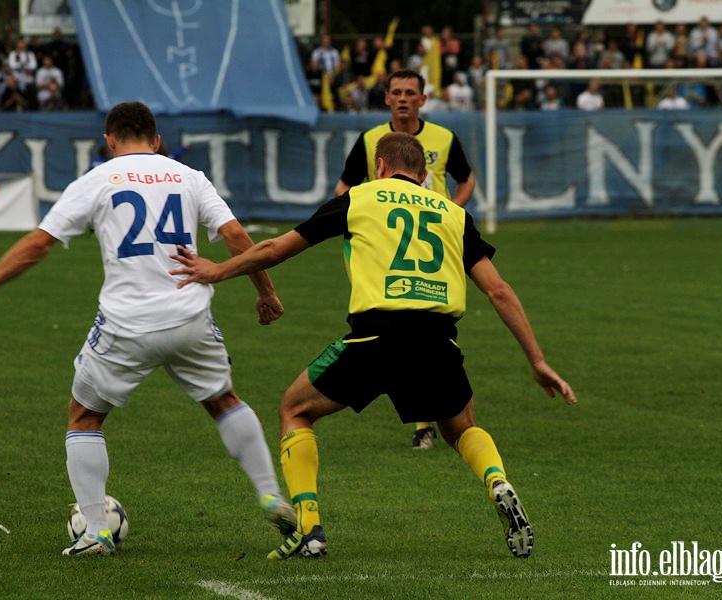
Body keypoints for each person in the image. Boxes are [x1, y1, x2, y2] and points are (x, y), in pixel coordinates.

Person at [169, 132, 576, 560]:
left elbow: (274, 249)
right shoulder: (455, 215)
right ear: (423, 176)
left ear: (379, 166)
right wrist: (538, 360)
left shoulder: (360, 198)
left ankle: (309, 530)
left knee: (295, 409)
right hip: (438, 340)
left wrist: (217, 271)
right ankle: (497, 480)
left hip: (375, 337)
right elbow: (500, 292)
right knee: (461, 427)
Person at [0, 101, 296, 556]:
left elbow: (38, 244)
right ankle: (269, 492)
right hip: (190, 318)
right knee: (224, 400)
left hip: (126, 324)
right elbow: (238, 237)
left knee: (84, 416)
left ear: (109, 141)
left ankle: (96, 532)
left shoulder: (97, 180)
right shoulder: (188, 176)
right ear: (157, 139)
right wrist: (265, 291)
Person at [334, 69, 476, 448]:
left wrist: (451, 212)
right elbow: (344, 185)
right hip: (389, 243)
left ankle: (426, 420)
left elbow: (467, 179)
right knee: (411, 319)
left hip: (435, 239)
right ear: (386, 98)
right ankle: (426, 425)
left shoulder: (444, 138)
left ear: (422, 99)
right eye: (395, 92)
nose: (402, 98)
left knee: (422, 317)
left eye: (410, 92)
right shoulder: (369, 141)